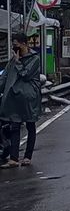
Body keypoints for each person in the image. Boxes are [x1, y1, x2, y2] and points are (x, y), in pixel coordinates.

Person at [0, 33, 43, 169]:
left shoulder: (34, 59)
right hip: (14, 98)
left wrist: (18, 62)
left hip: (29, 98)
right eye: (13, 45)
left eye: (17, 44)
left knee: (30, 125)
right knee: (15, 126)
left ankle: (27, 156)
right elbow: (5, 76)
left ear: (24, 44)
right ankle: (13, 158)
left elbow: (26, 75)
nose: (15, 47)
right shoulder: (12, 60)